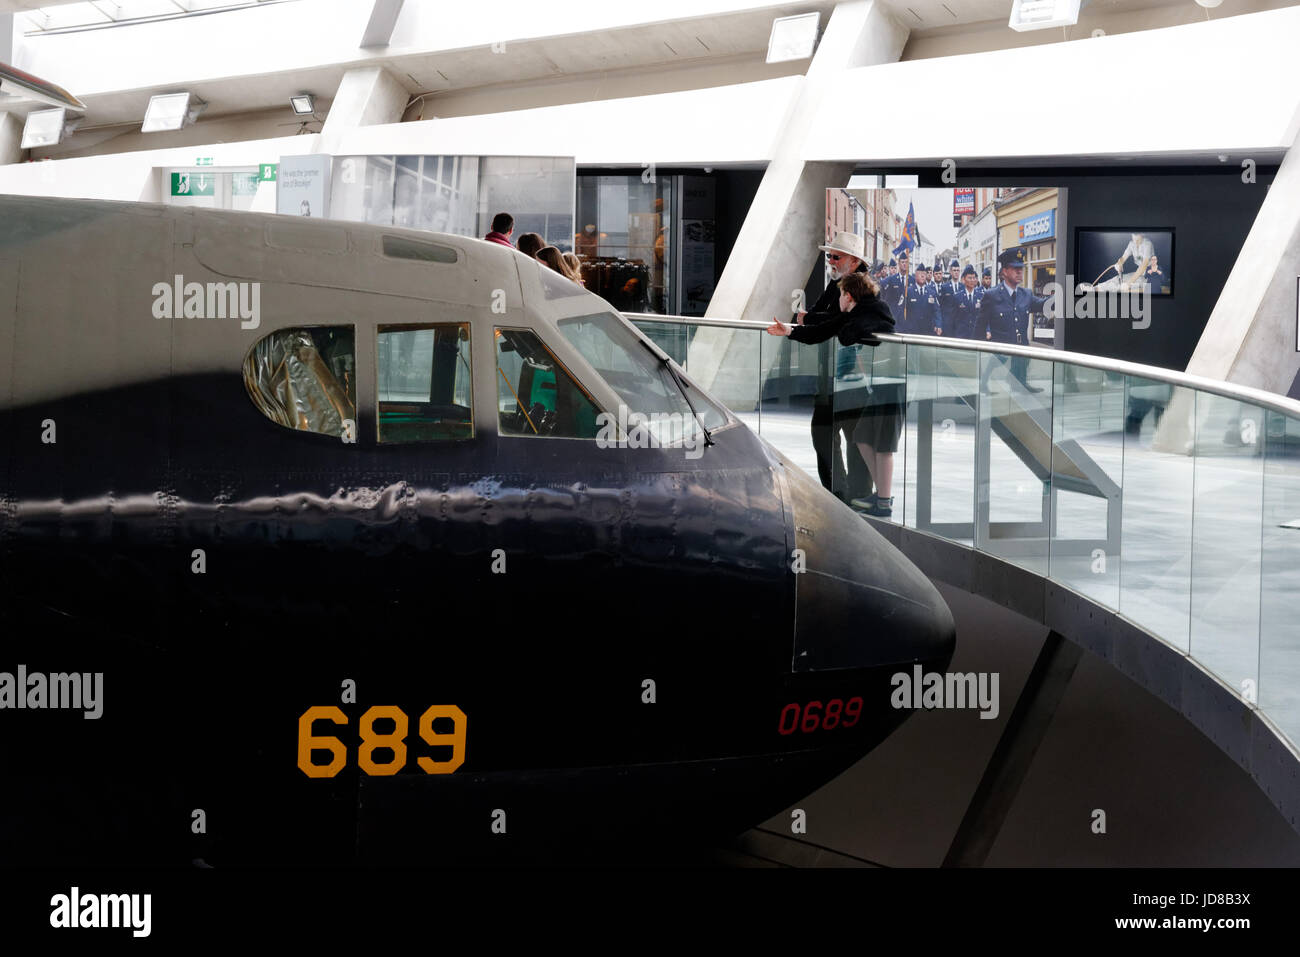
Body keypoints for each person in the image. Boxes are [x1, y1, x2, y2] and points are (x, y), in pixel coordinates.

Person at [764, 230, 871, 500]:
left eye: (836, 257)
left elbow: (826, 320)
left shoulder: (861, 287)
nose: (831, 261)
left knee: (846, 438)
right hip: (834, 376)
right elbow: (818, 316)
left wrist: (808, 320)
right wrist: (809, 319)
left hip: (851, 377)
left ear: (855, 261)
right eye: (830, 256)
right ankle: (842, 495)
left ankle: (850, 496)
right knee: (829, 435)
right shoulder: (836, 284)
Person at [827, 272, 901, 518]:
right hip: (878, 384)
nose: (839, 299)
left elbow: (849, 335)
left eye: (841, 295)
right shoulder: (863, 312)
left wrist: (846, 320)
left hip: (891, 384)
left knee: (884, 444)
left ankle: (884, 501)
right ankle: (882, 494)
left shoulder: (873, 310)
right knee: (862, 436)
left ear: (848, 296)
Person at [977, 247, 1050, 392]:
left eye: (1021, 269)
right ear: (1004, 271)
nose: (1019, 272)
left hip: (1021, 352)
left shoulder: (1026, 294)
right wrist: (976, 353)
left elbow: (1043, 305)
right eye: (1014, 268)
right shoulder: (991, 296)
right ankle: (984, 383)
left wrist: (1060, 296)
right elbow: (979, 328)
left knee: (1019, 384)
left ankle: (1022, 382)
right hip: (1000, 353)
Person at [947, 264, 983, 339]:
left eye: (974, 278)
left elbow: (984, 316)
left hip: (976, 335)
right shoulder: (957, 297)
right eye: (970, 278)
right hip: (961, 335)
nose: (972, 280)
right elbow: (952, 319)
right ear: (964, 279)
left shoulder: (981, 296)